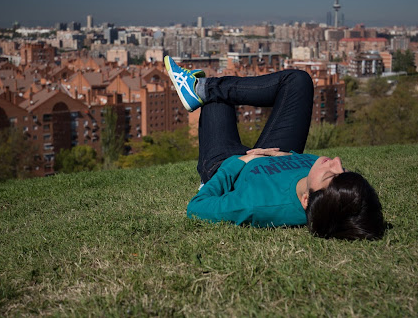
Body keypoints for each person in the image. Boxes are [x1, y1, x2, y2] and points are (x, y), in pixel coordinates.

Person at [164, 56, 385, 240]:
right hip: (276, 155)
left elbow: (196, 208)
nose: (336, 161)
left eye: (330, 174)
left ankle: (197, 89)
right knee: (298, 81)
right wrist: (285, 155)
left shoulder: (257, 205)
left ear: (306, 200)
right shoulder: (321, 188)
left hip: (231, 166)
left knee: (217, 103)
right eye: (343, 171)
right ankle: (201, 88)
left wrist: (241, 162)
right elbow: (315, 170)